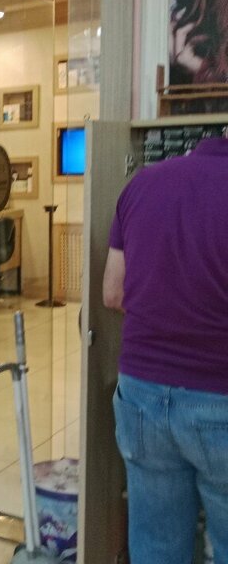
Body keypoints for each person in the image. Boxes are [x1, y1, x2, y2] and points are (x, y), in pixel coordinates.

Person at [103, 135, 228, 564]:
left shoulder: (142, 184)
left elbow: (113, 293)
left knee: (156, 547)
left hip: (141, 396)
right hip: (219, 398)